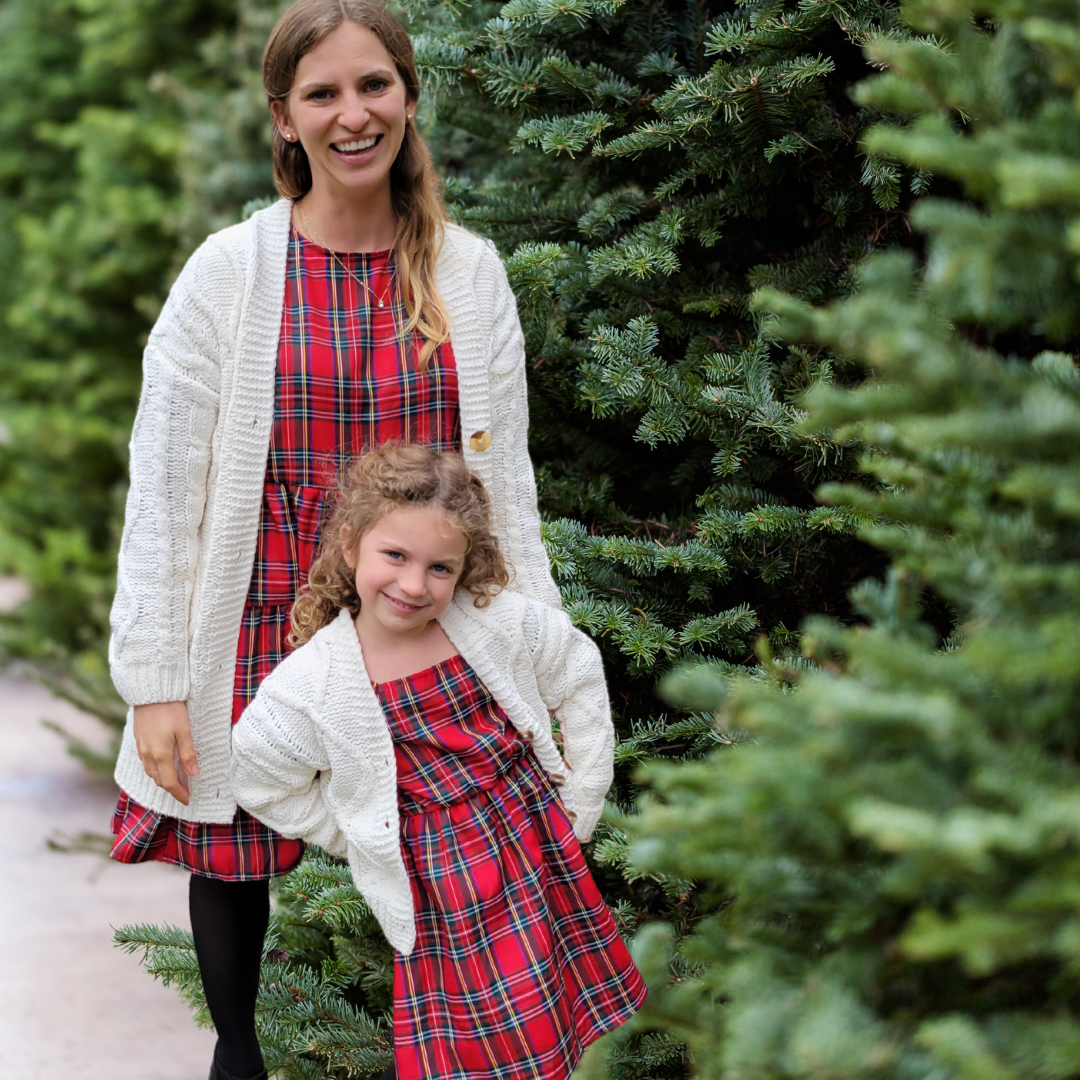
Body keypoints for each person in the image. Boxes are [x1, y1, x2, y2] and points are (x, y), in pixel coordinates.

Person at [106, 2, 560, 1078]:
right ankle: (239, 1057)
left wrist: (534, 640)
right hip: (261, 611)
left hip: (417, 621)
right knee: (230, 850)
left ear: (407, 96)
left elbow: (508, 483)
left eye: (373, 86)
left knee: (442, 858)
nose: (352, 115)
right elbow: (165, 487)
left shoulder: (469, 272)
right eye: (323, 93)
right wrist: (158, 678)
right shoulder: (230, 274)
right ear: (285, 117)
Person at [231, 444, 646, 1080]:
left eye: (440, 568)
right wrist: (360, 834)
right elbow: (262, 779)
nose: (413, 585)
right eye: (394, 556)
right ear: (351, 547)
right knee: (480, 1051)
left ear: (463, 570)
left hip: (536, 845)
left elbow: (577, 673)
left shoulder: (492, 622)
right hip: (440, 891)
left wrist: (580, 803)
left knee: (560, 1023)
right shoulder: (312, 685)